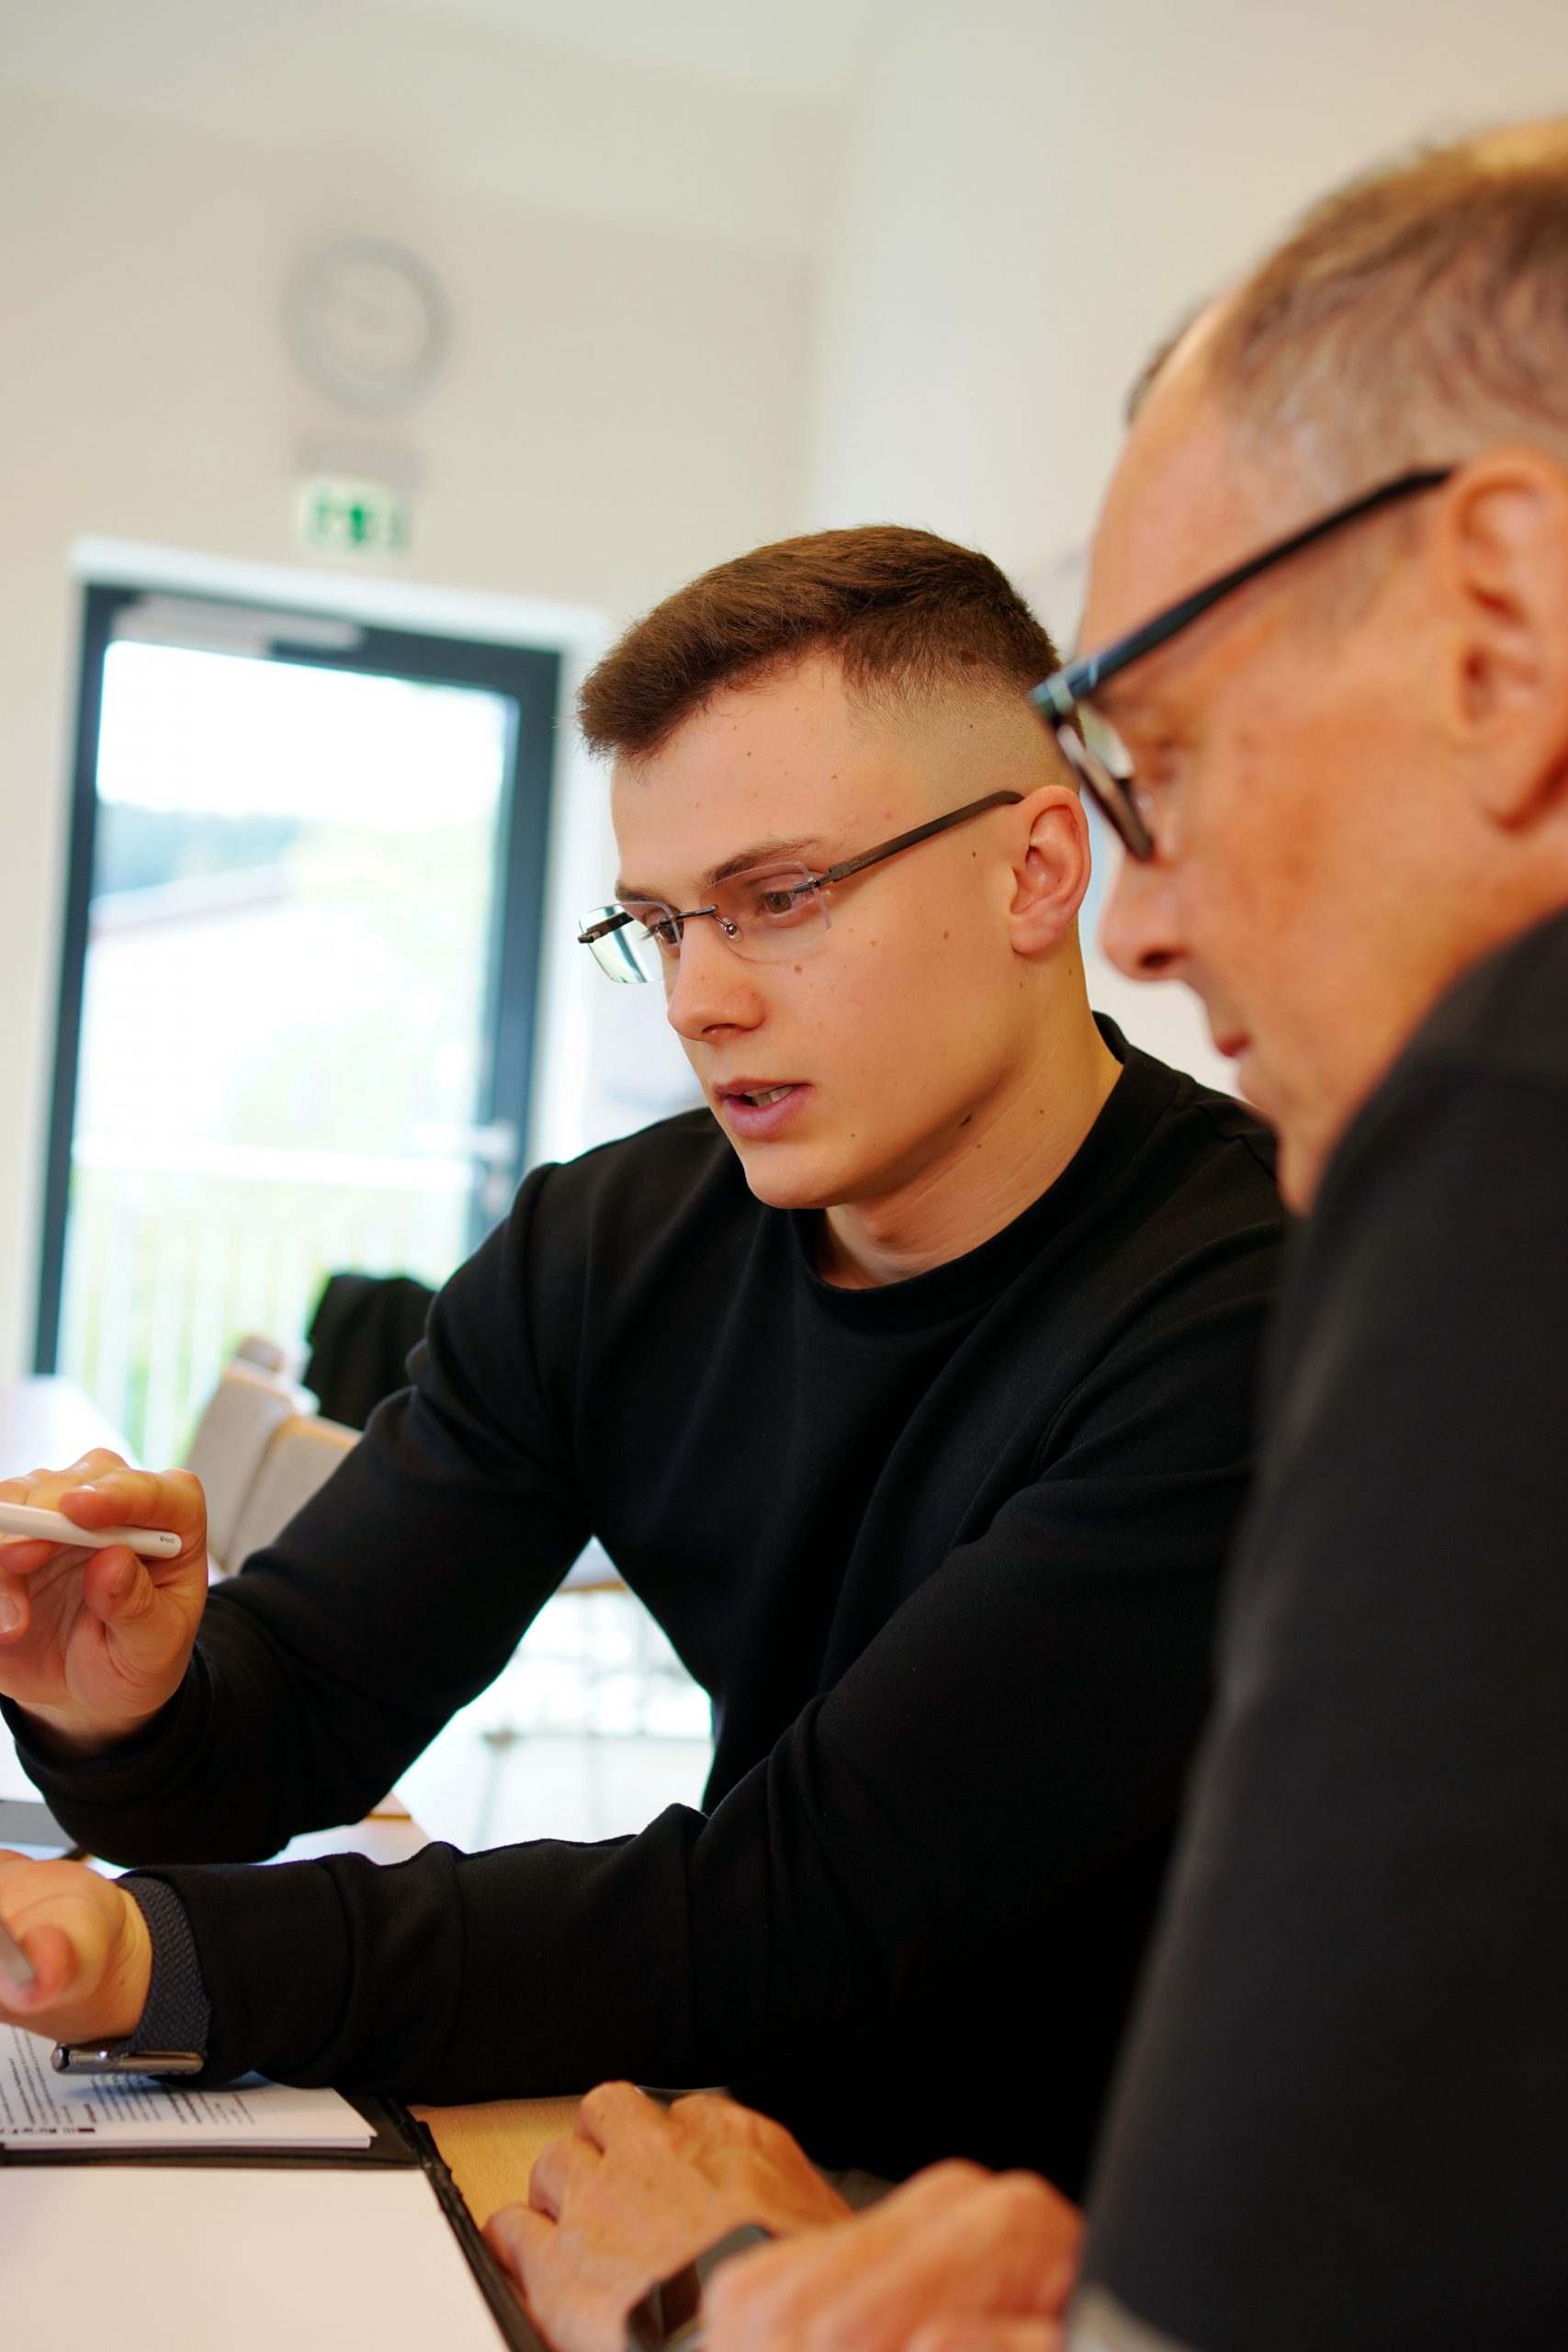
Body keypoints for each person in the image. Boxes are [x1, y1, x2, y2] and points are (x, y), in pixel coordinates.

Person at [482, 116, 1568, 2352]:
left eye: (1169, 744)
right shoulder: (621, 1230)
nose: (1143, 924)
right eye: (666, 924)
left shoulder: (1487, 1144)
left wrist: (729, 2297)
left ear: (1502, 626)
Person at [0, 526, 1283, 2193]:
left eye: (780, 899)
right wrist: (126, 1709)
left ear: (1038, 870)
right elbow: (300, 1715)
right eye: (661, 924)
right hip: (739, 2137)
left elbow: (801, 1901)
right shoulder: (610, 1247)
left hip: (1101, 2228)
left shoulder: (1250, 1306)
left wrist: (156, 1953)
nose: (696, 1000)